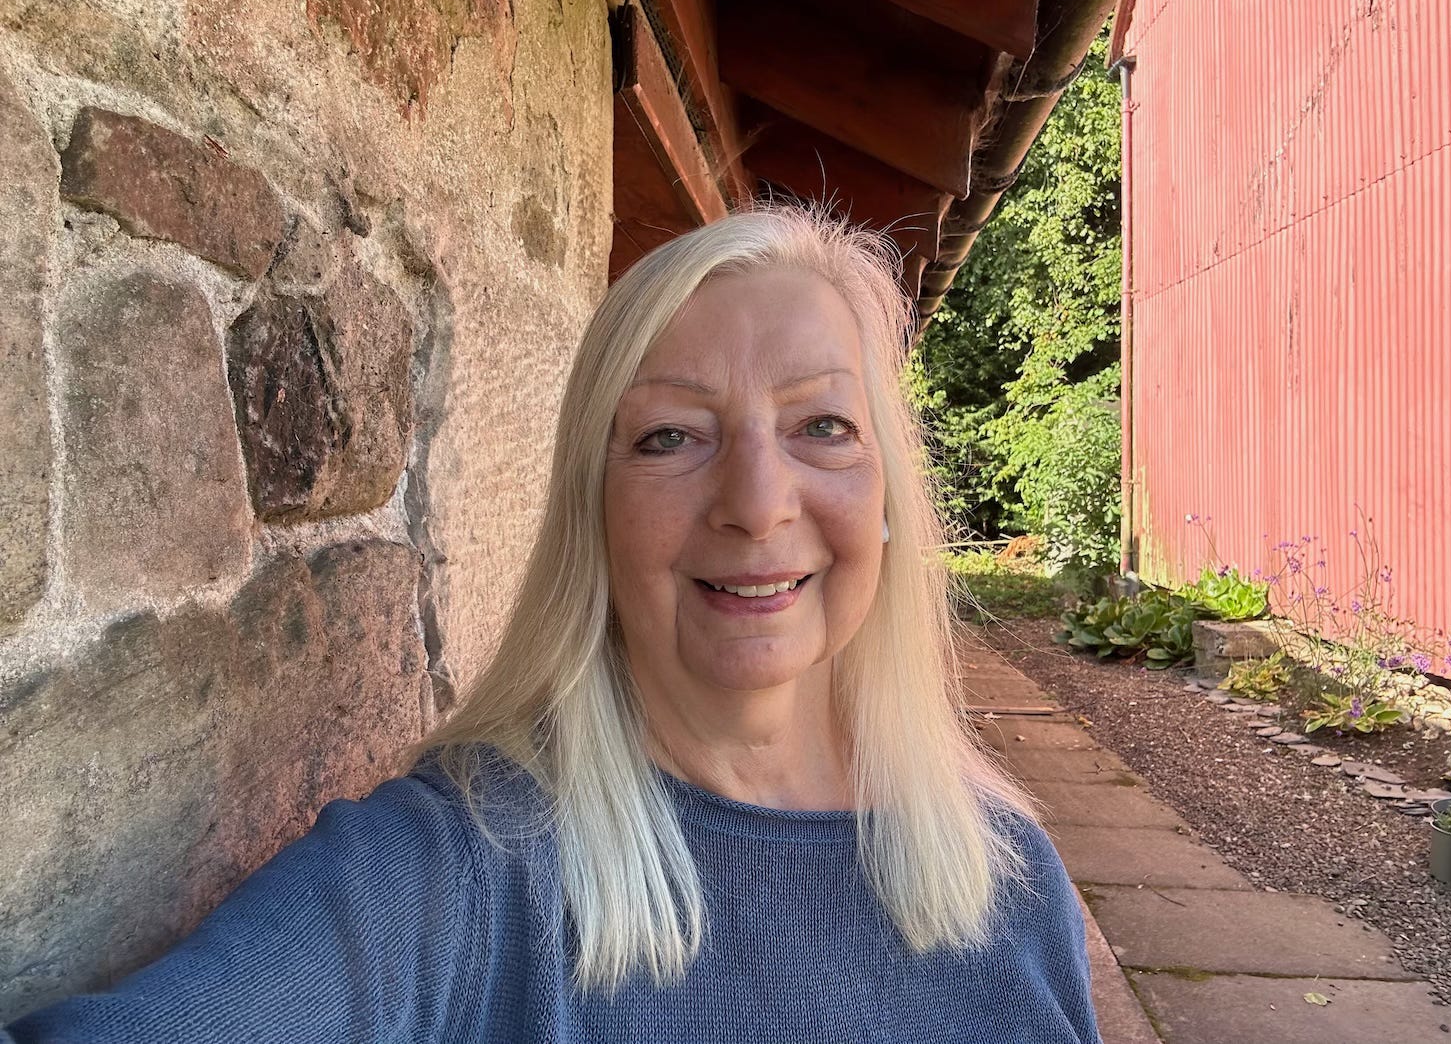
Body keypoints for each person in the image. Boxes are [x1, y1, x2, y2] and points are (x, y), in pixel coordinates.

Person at [4, 206, 1100, 1043]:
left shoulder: (1010, 881)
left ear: (891, 502)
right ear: (595, 513)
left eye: (822, 426)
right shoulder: (462, 873)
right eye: (672, 436)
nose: (758, 502)